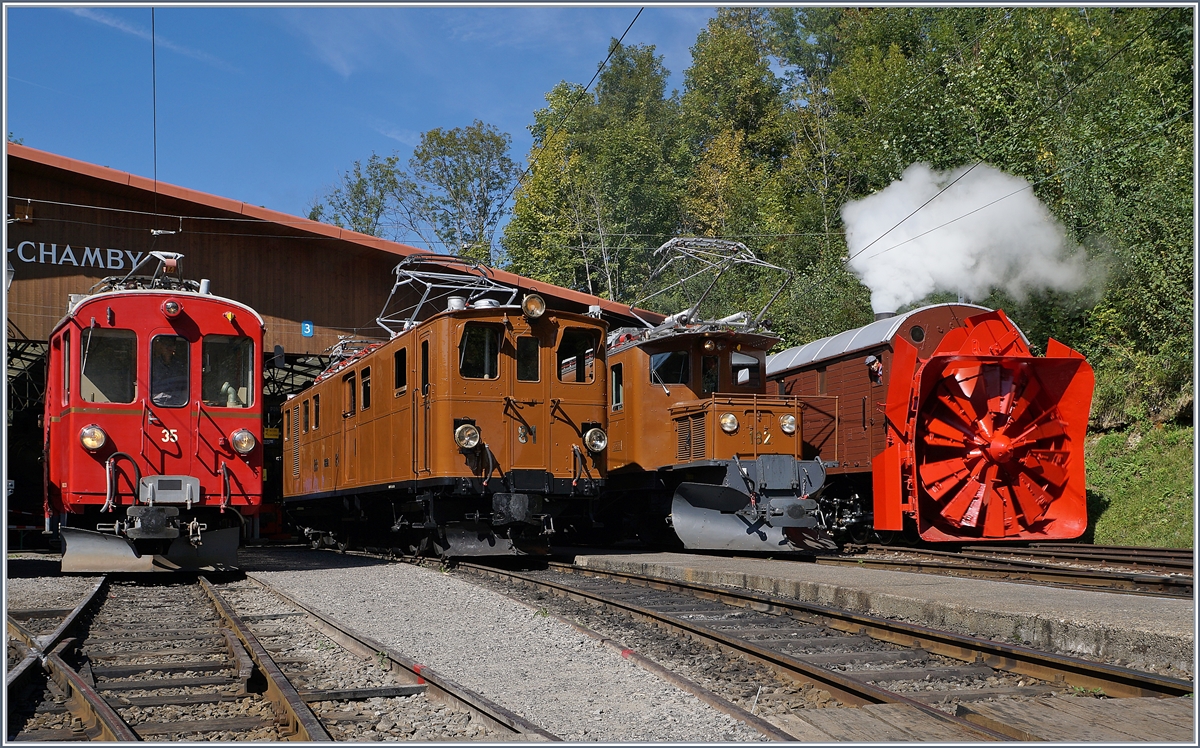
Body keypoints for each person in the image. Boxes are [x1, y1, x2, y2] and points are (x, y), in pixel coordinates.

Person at [151, 337, 189, 406]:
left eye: (171, 345)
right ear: (161, 346)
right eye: (166, 345)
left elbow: (185, 385)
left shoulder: (180, 365)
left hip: (178, 404)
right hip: (156, 402)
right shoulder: (152, 364)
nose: (168, 348)